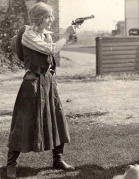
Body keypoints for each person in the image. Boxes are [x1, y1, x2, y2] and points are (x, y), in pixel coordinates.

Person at [7, 2, 78, 178]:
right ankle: (11, 164)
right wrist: (66, 33)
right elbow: (51, 50)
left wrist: (68, 34)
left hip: (48, 82)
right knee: (22, 124)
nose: (51, 19)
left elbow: (51, 61)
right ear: (39, 19)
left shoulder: (45, 34)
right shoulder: (28, 35)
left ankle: (58, 159)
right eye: (48, 17)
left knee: (58, 119)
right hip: (32, 84)